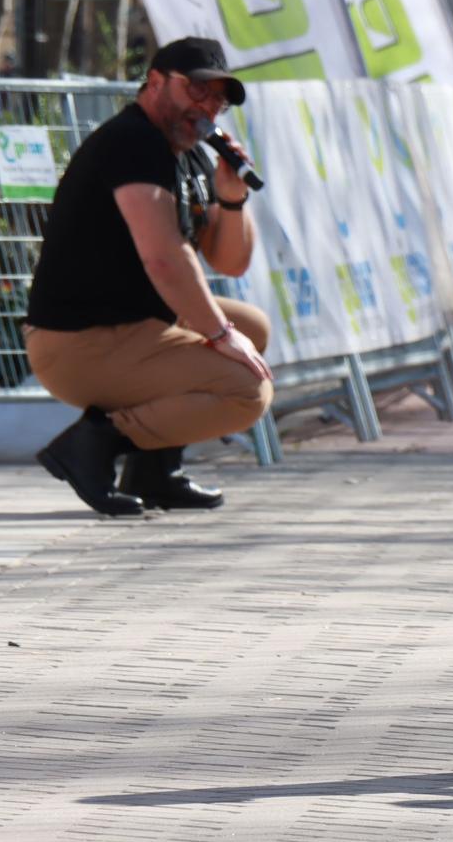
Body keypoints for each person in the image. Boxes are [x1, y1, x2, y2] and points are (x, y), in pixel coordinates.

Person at [25, 39, 273, 517]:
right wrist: (219, 336)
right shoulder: (133, 141)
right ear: (155, 82)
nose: (206, 107)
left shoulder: (190, 153)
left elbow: (230, 262)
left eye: (217, 99)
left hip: (130, 326)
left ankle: (154, 473)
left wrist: (232, 198)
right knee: (247, 390)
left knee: (254, 328)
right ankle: (91, 444)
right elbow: (163, 258)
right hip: (80, 342)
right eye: (196, 90)